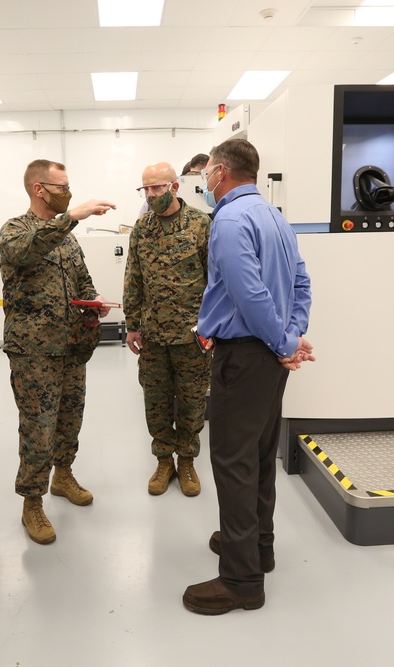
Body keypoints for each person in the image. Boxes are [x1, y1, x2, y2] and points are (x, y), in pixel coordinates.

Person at [182, 139, 314, 616]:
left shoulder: (231, 220)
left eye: (205, 173)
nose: (203, 182)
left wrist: (282, 343)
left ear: (219, 171)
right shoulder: (275, 217)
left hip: (245, 356)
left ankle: (241, 581)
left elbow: (247, 292)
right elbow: (301, 282)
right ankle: (259, 547)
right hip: (270, 361)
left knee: (234, 464)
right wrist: (292, 337)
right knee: (258, 456)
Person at [0, 159, 116, 545]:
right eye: (61, 186)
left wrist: (94, 299)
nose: (68, 192)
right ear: (39, 189)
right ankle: (32, 501)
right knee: (38, 427)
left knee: (69, 418)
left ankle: (63, 475)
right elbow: (26, 252)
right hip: (34, 351)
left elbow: (82, 278)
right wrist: (75, 216)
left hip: (70, 345)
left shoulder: (67, 238)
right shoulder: (15, 230)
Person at [124, 162, 211, 496]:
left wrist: (213, 325)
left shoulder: (201, 224)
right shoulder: (142, 227)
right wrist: (132, 326)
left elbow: (215, 279)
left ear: (175, 186)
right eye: (145, 189)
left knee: (191, 402)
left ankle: (187, 461)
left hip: (192, 334)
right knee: (156, 401)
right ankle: (164, 460)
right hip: (153, 335)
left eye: (156, 188)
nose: (150, 194)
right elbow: (133, 277)